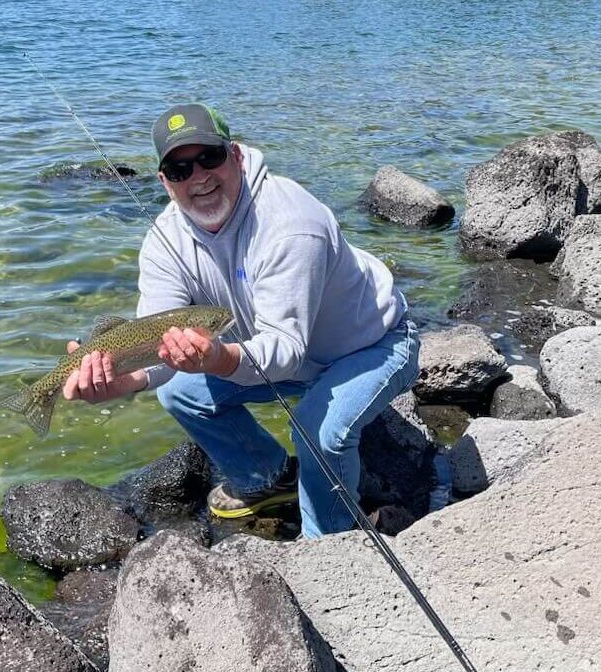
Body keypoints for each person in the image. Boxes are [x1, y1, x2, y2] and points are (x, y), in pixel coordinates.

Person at [62, 102, 419, 538]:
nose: (198, 178)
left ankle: (329, 545)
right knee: (178, 390)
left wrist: (216, 357)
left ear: (235, 155)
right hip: (278, 356)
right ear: (164, 181)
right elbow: (156, 344)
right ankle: (269, 479)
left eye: (208, 158)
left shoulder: (290, 223)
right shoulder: (163, 243)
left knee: (315, 432)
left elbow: (285, 350)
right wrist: (124, 382)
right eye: (179, 170)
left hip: (371, 345)